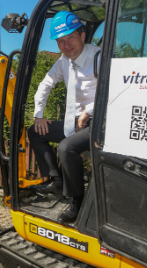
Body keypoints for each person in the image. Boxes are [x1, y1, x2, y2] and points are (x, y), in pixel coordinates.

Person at [27, 11, 100, 223]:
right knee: (36, 132)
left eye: (71, 38)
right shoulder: (63, 62)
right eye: (61, 41)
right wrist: (38, 115)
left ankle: (77, 202)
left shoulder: (98, 57)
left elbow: (112, 90)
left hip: (98, 122)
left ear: (82, 36)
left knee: (66, 147)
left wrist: (89, 111)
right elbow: (45, 85)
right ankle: (56, 180)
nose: (66, 45)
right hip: (74, 121)